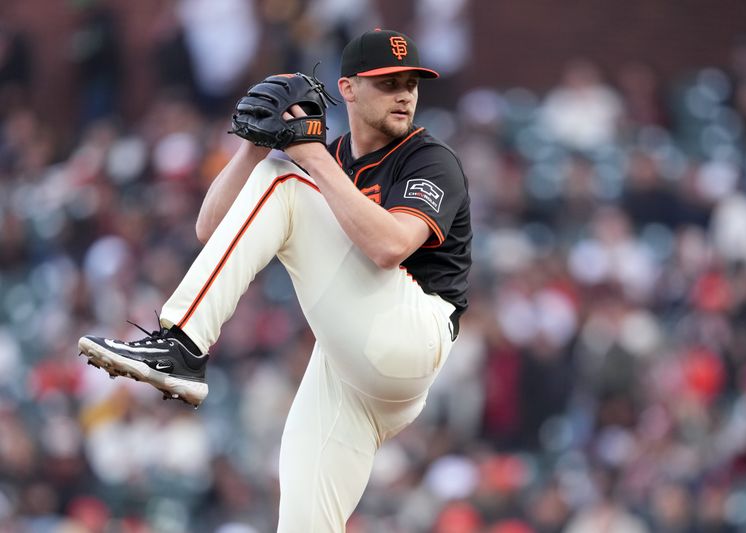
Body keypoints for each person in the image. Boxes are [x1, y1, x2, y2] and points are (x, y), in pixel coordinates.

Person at [78, 28, 471, 532]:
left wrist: (305, 156)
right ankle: (182, 343)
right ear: (347, 89)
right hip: (350, 369)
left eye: (411, 83)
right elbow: (210, 230)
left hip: (414, 334)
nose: (404, 94)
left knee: (285, 180)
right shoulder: (329, 155)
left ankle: (182, 344)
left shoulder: (429, 159)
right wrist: (253, 148)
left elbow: (390, 246)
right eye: (388, 81)